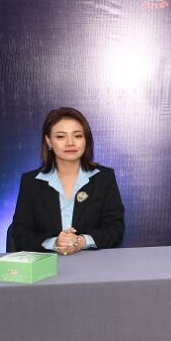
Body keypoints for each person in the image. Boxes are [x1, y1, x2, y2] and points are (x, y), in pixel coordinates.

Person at [11, 107, 125, 254]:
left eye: (77, 136)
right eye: (61, 137)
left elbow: (115, 229)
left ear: (86, 140)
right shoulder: (31, 182)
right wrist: (55, 243)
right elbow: (20, 234)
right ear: (48, 141)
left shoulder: (104, 178)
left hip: (93, 263)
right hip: (46, 263)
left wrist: (81, 242)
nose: (70, 142)